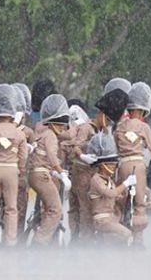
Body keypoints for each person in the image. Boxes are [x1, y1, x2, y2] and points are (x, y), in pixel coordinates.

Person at [114, 81, 151, 246]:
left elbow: (115, 145)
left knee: (120, 199)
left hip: (122, 165)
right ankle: (138, 240)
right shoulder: (143, 127)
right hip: (138, 167)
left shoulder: (120, 126)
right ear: (144, 110)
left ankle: (119, 234)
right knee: (140, 203)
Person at [87, 88, 134, 245]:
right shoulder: (90, 129)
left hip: (108, 205)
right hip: (90, 178)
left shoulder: (109, 133)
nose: (105, 123)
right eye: (105, 118)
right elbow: (110, 193)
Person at [0, 84, 28, 246]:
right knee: (11, 207)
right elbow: (23, 157)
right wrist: (21, 171)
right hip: (11, 169)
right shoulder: (19, 133)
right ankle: (11, 241)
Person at [29, 94, 71, 246]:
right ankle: (39, 242)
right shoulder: (51, 136)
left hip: (37, 174)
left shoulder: (42, 134)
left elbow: (41, 158)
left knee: (47, 208)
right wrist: (61, 172)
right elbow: (53, 157)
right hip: (41, 175)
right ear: (53, 124)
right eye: (60, 125)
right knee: (55, 209)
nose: (62, 129)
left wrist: (55, 173)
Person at [66, 99, 96, 243]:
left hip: (73, 171)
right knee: (84, 206)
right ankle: (85, 239)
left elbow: (69, 150)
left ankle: (74, 235)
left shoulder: (69, 128)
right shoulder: (87, 127)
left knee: (74, 206)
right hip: (83, 171)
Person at [12, 82, 34, 241]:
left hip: (22, 175)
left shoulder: (28, 132)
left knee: (20, 207)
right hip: (10, 171)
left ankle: (18, 238)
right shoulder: (3, 128)